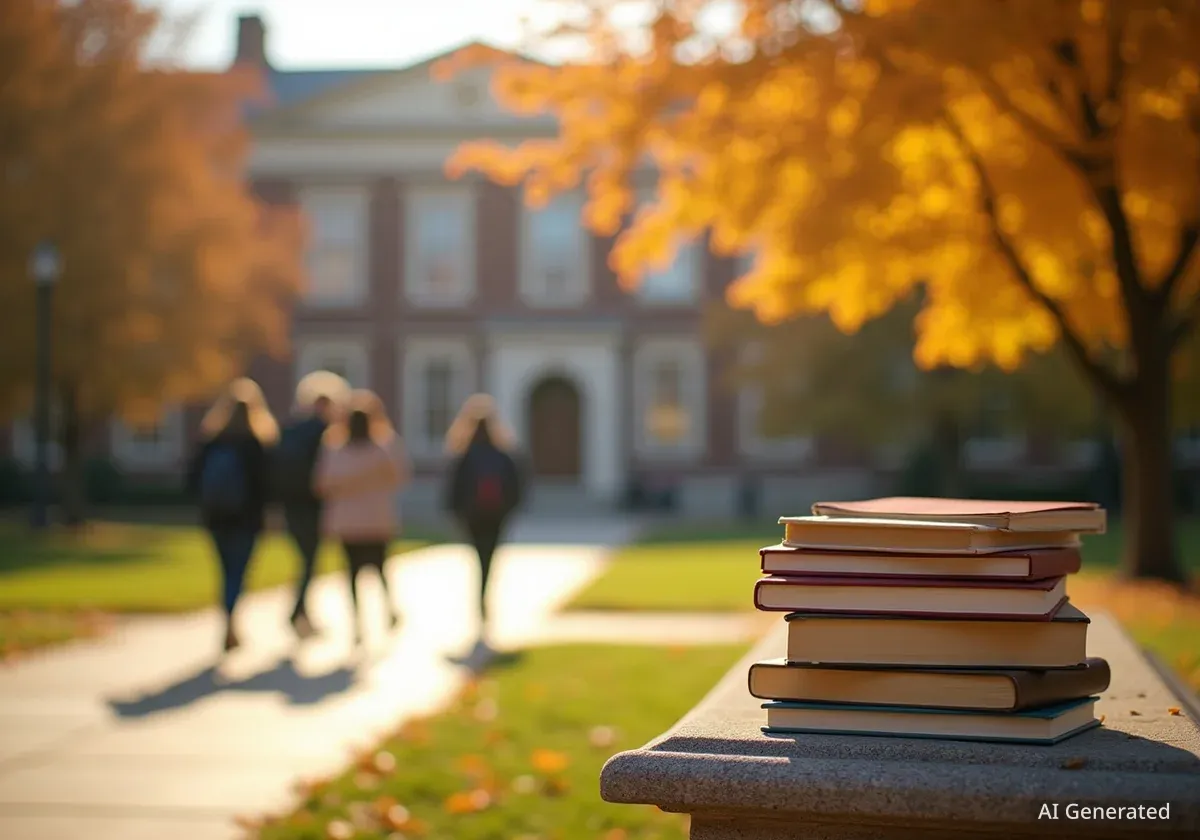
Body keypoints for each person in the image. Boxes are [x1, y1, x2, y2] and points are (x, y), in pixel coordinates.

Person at [186, 378, 277, 652]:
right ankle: (231, 620)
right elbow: (267, 486)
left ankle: (228, 619)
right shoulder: (255, 443)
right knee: (238, 573)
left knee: (225, 571)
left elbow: (191, 480)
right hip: (246, 520)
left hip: (216, 518)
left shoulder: (212, 440)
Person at [313, 390, 411, 645]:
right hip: (377, 519)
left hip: (348, 522)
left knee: (353, 574)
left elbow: (322, 484)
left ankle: (358, 622)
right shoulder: (383, 448)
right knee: (380, 569)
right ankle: (388, 610)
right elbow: (400, 476)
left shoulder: (335, 450)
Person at [274, 371, 351, 638]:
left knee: (305, 559)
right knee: (310, 560)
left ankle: (302, 614)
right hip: (313, 504)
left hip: (291, 504)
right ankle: (297, 612)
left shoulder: (288, 430)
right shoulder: (327, 435)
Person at [443, 394, 524, 648]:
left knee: (479, 557)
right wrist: (508, 510)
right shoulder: (503, 455)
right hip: (495, 515)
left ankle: (481, 600)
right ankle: (484, 599)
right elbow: (517, 485)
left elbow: (453, 489)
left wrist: (457, 513)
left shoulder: (465, 454)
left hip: (473, 516)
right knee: (488, 558)